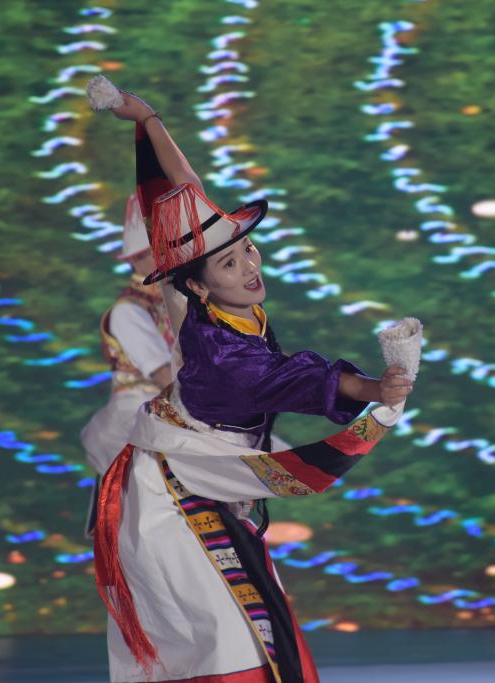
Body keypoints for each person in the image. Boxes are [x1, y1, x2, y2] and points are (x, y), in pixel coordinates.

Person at [86, 77, 415, 683]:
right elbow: (297, 379)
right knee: (229, 636)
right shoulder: (220, 351)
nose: (250, 268)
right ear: (197, 285)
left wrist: (149, 121)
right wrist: (375, 391)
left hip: (201, 469)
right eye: (231, 263)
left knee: (249, 618)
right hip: (173, 493)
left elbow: (184, 189)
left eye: (248, 252)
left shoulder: (207, 302)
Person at [80, 194, 174, 534]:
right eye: (157, 252)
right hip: (140, 409)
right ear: (137, 259)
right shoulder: (128, 311)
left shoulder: (181, 302)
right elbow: (165, 376)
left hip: (177, 403)